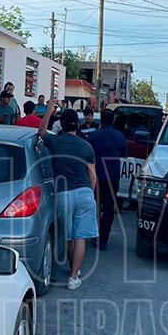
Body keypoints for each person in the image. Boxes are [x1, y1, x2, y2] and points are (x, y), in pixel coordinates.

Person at [37, 100, 97, 291]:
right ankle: (73, 276)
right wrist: (90, 193)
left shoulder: (55, 141)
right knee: (81, 237)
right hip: (84, 192)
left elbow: (41, 132)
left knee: (69, 237)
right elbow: (92, 175)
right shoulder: (86, 147)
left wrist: (49, 111)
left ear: (61, 124)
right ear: (77, 125)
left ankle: (73, 268)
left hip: (63, 195)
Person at [87, 109, 128, 251]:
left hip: (97, 176)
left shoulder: (93, 136)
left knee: (95, 206)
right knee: (109, 208)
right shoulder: (119, 136)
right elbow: (125, 154)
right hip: (113, 176)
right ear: (113, 120)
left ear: (101, 120)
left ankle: (95, 234)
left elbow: (88, 155)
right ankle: (103, 239)